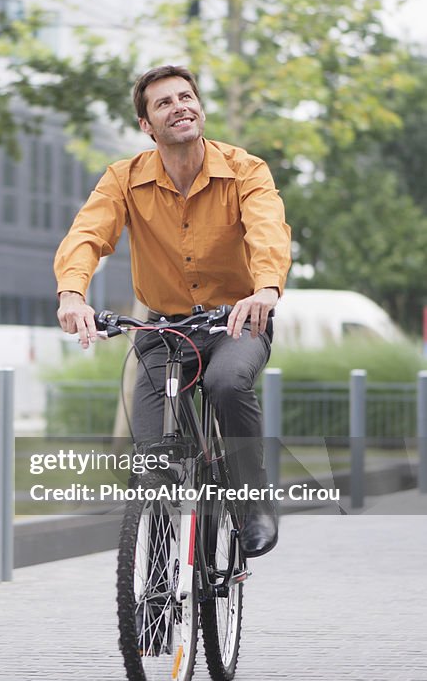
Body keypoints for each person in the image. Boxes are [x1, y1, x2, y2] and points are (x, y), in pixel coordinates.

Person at [54, 64, 291, 556]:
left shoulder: (246, 169)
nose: (179, 106)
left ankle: (253, 500)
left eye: (186, 97)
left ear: (200, 107)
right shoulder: (124, 179)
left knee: (227, 384)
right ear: (147, 125)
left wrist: (266, 288)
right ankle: (159, 581)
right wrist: (72, 294)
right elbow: (87, 235)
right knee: (152, 455)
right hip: (163, 330)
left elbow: (268, 230)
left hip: (237, 320)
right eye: (164, 102)